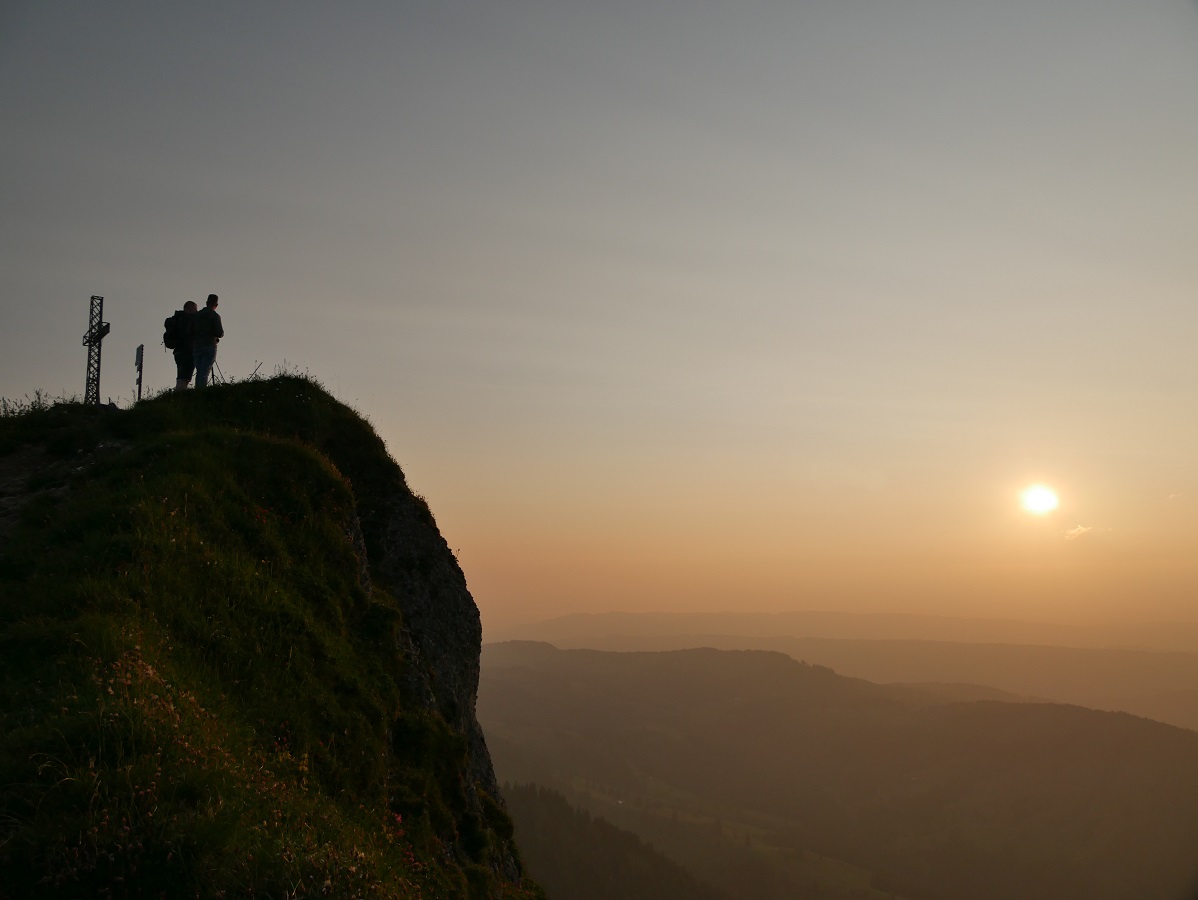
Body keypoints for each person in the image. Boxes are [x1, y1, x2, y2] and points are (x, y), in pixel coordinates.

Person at [192, 293, 224, 388]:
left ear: (206, 303)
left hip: (197, 345)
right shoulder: (215, 316)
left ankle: (197, 390)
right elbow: (220, 332)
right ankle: (201, 391)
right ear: (216, 305)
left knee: (199, 370)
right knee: (205, 371)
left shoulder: (197, 316)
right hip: (210, 345)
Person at [169, 300, 198, 392]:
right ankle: (180, 394)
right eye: (195, 309)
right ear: (188, 308)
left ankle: (179, 393)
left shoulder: (177, 319)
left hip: (178, 351)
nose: (196, 312)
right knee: (185, 376)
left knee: (181, 374)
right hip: (187, 351)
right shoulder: (187, 320)